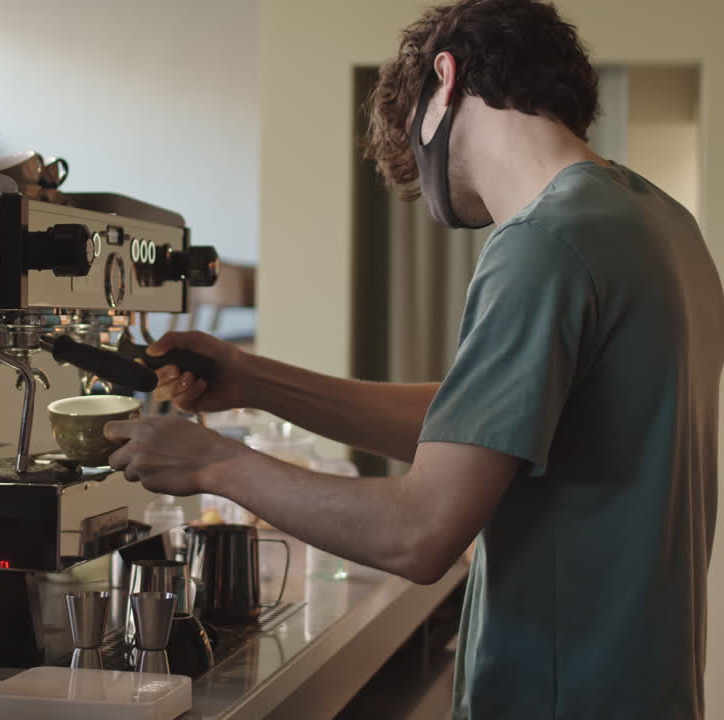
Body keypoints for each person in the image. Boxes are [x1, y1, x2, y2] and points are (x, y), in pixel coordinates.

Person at [103, 0, 724, 717]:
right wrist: (256, 380)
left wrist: (213, 464)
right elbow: (483, 430)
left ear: (445, 78)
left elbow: (419, 531)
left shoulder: (543, 243)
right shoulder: (663, 224)